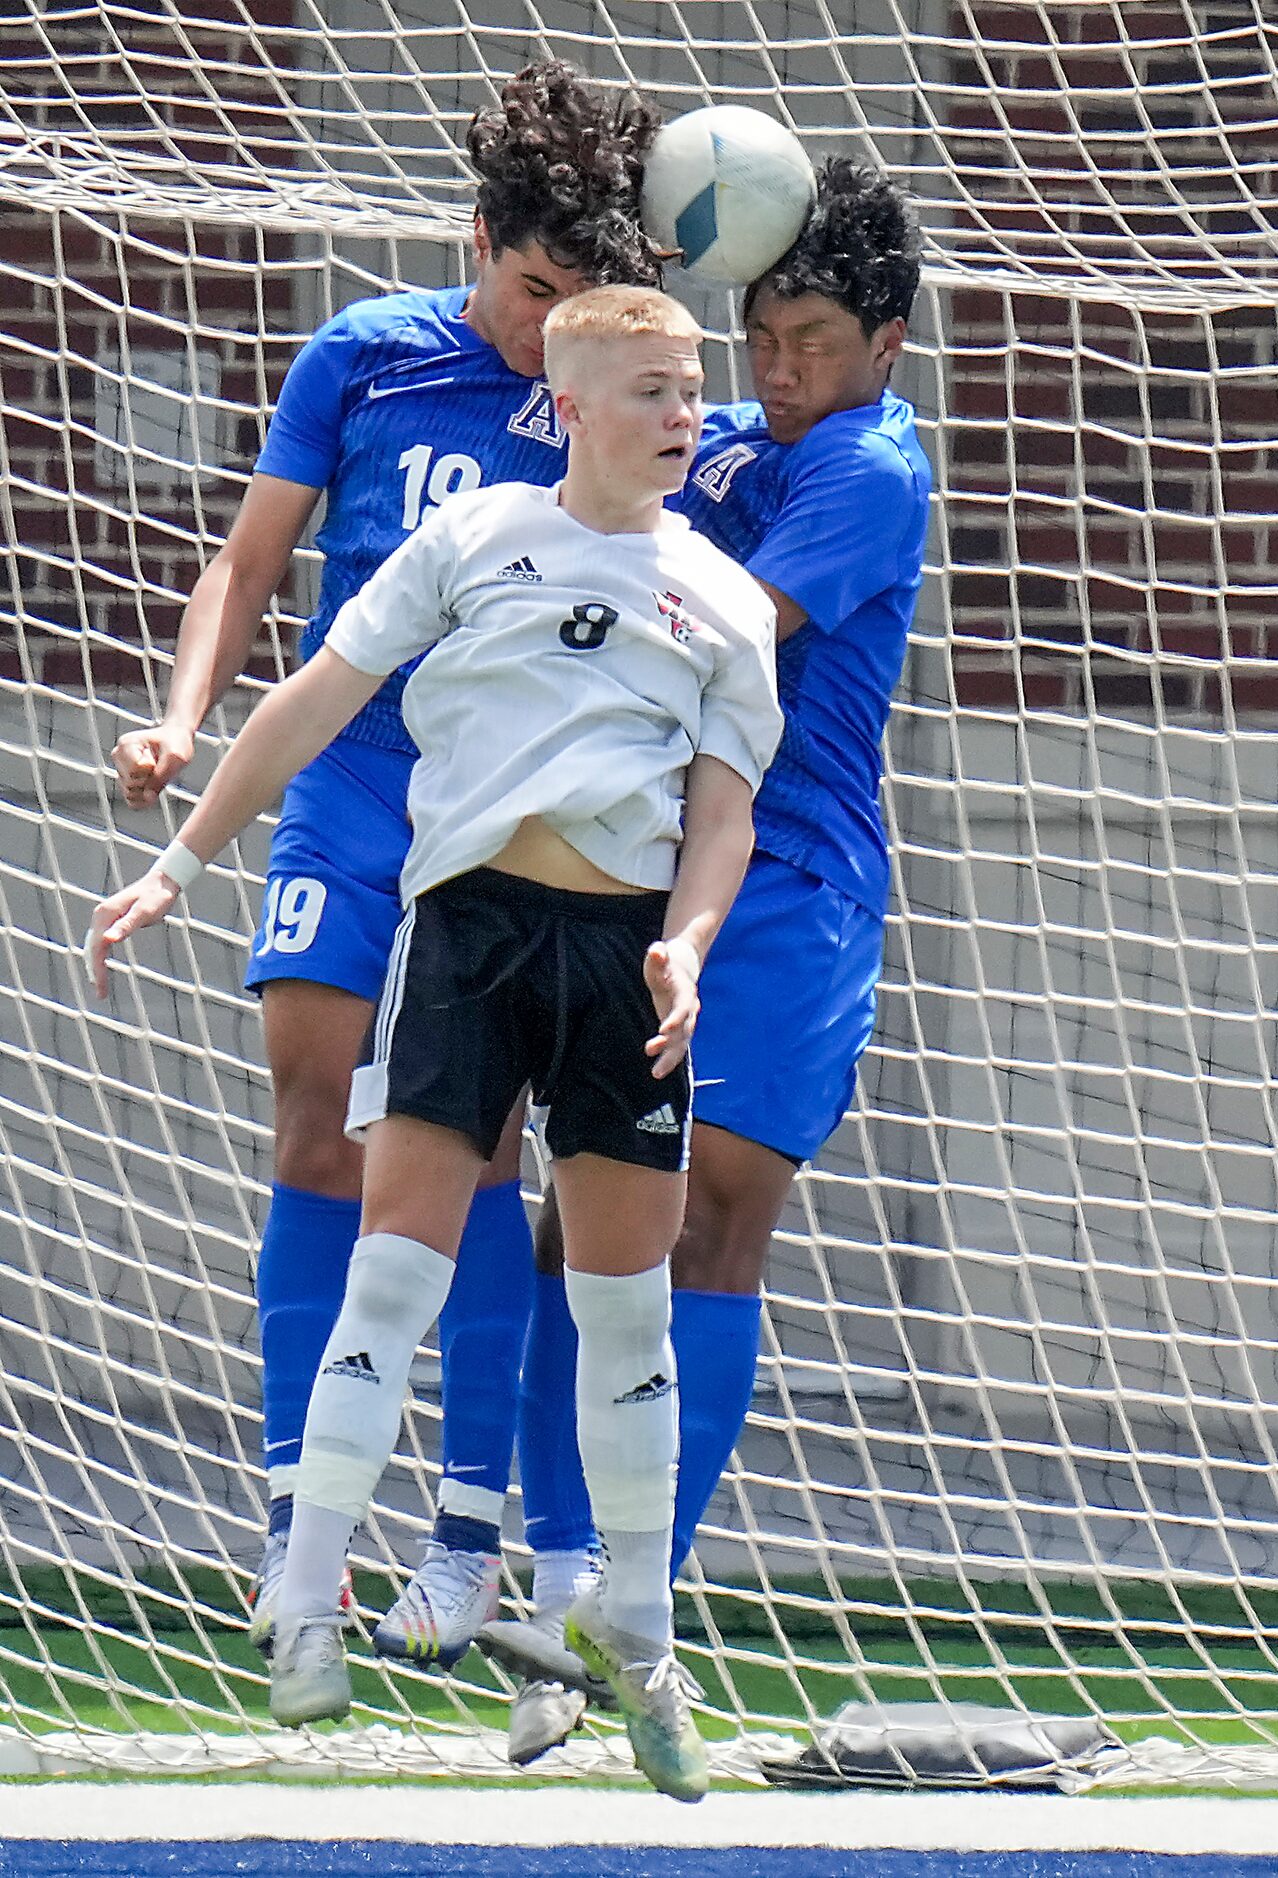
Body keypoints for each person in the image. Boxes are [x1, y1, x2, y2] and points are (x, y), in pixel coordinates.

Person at [89, 285, 783, 1801]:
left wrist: (689, 940)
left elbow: (723, 810)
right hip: (466, 937)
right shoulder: (473, 541)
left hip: (620, 965)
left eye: (694, 389)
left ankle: (642, 1645)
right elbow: (313, 702)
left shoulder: (724, 599)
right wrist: (182, 861)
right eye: (658, 391)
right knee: (391, 1268)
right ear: (570, 397)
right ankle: (305, 1599)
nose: (687, 416)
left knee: (623, 1317)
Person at [109, 61, 661, 1662]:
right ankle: (300, 1539)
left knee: (482, 1149)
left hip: (502, 826)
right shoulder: (363, 355)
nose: (536, 324)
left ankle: (465, 1532)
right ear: (479, 234)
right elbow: (248, 555)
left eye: (573, 299)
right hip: (353, 795)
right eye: (528, 287)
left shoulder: (597, 396)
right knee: (311, 1101)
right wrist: (182, 721)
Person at [467, 156, 930, 1764]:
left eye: (808, 337)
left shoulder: (869, 465)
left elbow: (723, 615)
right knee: (572, 1226)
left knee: (715, 1216)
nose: (775, 369)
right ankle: (552, 1586)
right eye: (758, 339)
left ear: (883, 340)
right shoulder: (732, 431)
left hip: (789, 884)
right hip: (635, 867)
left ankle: (636, 1588)